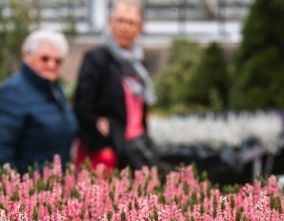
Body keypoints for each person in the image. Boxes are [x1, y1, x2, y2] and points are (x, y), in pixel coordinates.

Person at [74, 0, 162, 171]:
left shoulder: (137, 64)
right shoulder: (97, 59)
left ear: (140, 28)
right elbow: (83, 106)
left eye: (131, 22)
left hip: (136, 145)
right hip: (108, 149)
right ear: (110, 23)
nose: (124, 27)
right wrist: (101, 147)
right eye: (120, 20)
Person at [0, 30, 77, 174]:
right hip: (28, 187)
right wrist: (13, 188)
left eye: (58, 60)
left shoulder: (55, 88)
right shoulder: (12, 92)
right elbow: (3, 147)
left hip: (53, 185)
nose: (51, 65)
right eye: (44, 58)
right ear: (26, 56)